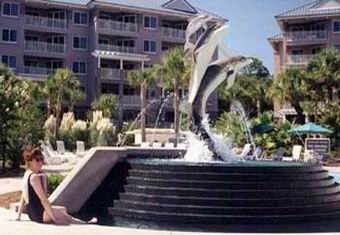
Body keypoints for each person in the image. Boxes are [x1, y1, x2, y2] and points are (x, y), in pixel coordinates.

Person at [17, 146, 95, 225]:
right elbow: (43, 199)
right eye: (37, 160)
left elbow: (23, 197)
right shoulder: (34, 177)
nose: (40, 163)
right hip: (40, 214)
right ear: (29, 161)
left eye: (41, 160)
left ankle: (82, 222)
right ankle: (85, 223)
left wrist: (18, 216)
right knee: (66, 217)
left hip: (32, 214)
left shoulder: (26, 174)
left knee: (62, 210)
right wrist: (54, 219)